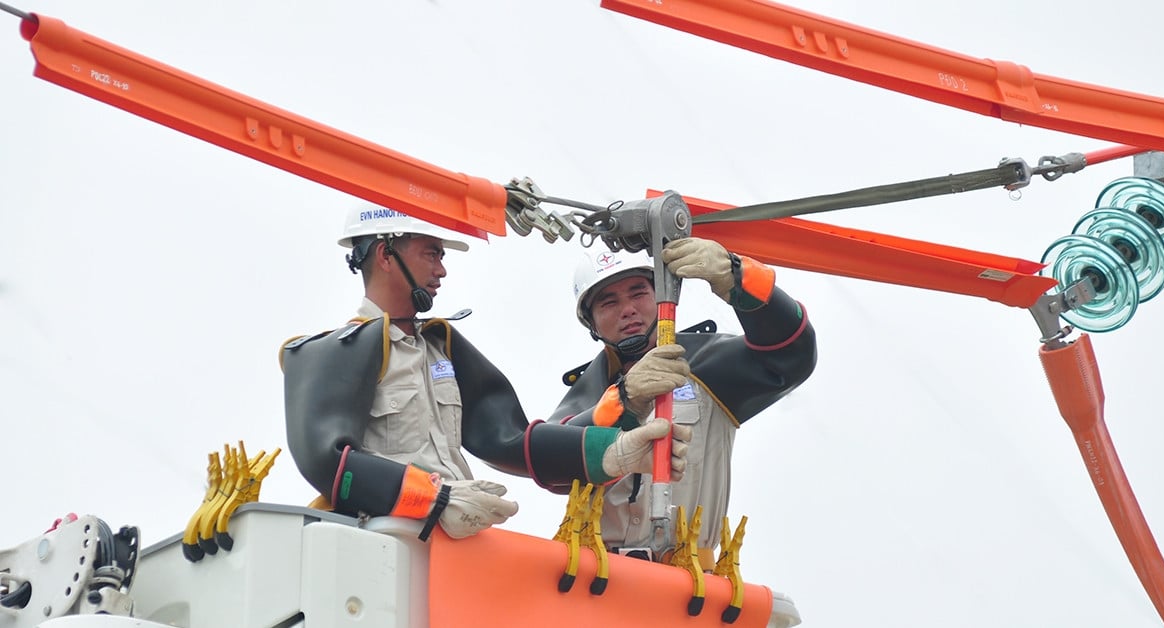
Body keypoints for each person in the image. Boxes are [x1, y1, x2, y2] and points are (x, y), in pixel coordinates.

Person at [281, 206, 691, 541]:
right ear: (386, 256)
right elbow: (327, 461)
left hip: (450, 547)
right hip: (380, 544)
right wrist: (433, 498)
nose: (441, 270)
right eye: (431, 253)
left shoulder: (442, 348)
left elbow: (512, 440)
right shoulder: (333, 351)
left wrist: (610, 451)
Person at [550, 238, 817, 570]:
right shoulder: (587, 396)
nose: (628, 309)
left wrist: (738, 278)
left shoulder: (708, 368)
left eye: (638, 293)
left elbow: (791, 354)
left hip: (686, 581)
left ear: (663, 297)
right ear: (592, 324)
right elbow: (548, 459)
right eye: (608, 302)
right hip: (597, 577)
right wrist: (623, 401)